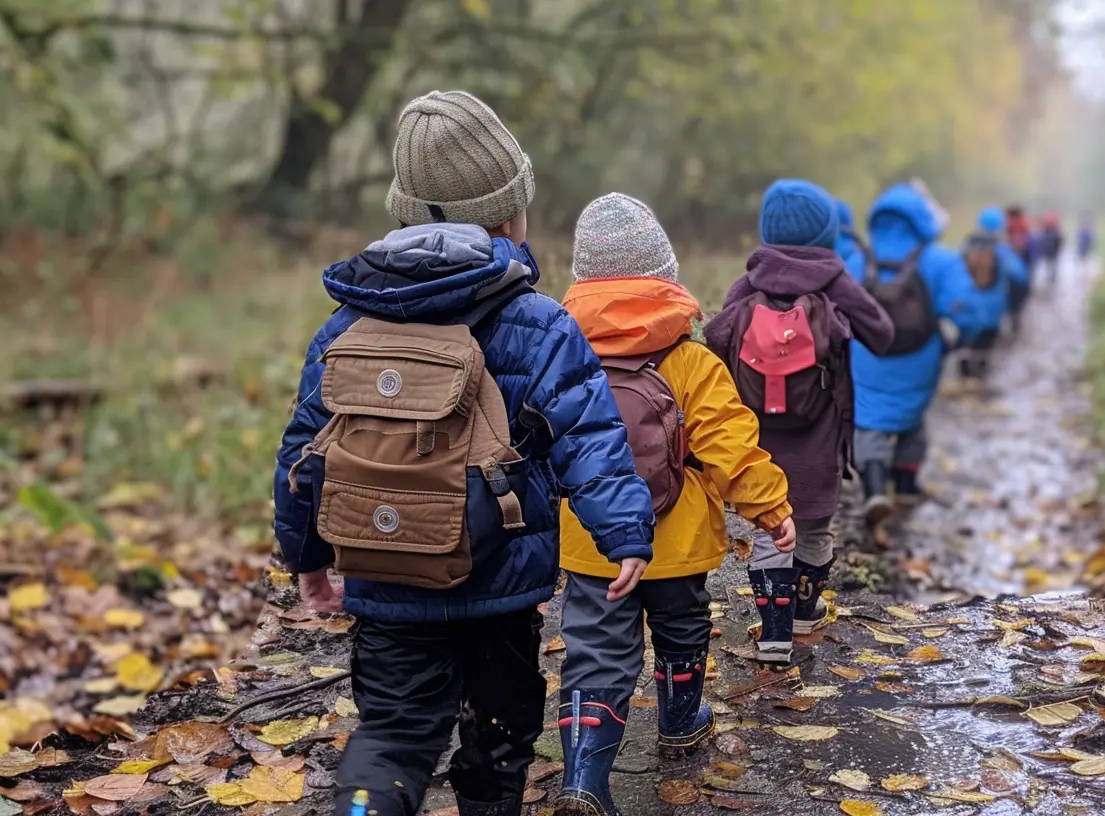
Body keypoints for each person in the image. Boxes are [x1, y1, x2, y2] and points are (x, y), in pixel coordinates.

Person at [272, 92, 655, 816]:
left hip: (385, 581)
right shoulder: (539, 322)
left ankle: (363, 807)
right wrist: (626, 534)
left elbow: (304, 453)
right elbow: (591, 438)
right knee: (500, 741)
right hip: (499, 582)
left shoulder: (348, 324)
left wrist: (308, 557)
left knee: (390, 737)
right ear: (510, 212)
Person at [554, 193, 796, 816]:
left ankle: (584, 777)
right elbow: (729, 445)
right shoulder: (690, 362)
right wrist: (771, 507)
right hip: (678, 543)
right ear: (666, 277)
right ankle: (681, 721)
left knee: (595, 652)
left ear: (582, 280)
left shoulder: (561, 356)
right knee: (682, 629)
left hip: (591, 542)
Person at [704, 179, 893, 661]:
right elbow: (884, 334)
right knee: (812, 528)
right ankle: (806, 610)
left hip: (760, 441)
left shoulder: (749, 283)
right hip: (819, 436)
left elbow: (717, 336)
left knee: (772, 527)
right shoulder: (834, 282)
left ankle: (773, 634)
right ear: (826, 234)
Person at [847, 181, 988, 525]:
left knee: (869, 421)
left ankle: (875, 487)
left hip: (866, 356)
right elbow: (968, 310)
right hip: (920, 357)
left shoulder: (856, 259)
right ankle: (907, 484)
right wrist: (958, 341)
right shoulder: (939, 259)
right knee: (912, 419)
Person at [957, 207, 1016, 379]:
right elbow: (1018, 273)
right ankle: (981, 372)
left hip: (967, 304)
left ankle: (964, 370)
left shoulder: (966, 245)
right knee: (986, 343)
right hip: (994, 306)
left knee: (966, 340)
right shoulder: (1002, 249)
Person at [1003, 205, 1035, 334]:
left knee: (1010, 290)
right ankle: (1016, 316)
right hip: (1023, 262)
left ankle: (1012, 315)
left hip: (1013, 261)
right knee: (1020, 289)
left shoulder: (1010, 225)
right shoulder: (1024, 225)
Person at [1040, 211, 1065, 285]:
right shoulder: (1047, 230)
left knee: (1052, 264)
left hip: (1053, 250)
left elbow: (1059, 240)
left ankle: (1052, 277)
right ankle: (1051, 276)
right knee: (1049, 263)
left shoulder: (1055, 230)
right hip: (1049, 250)